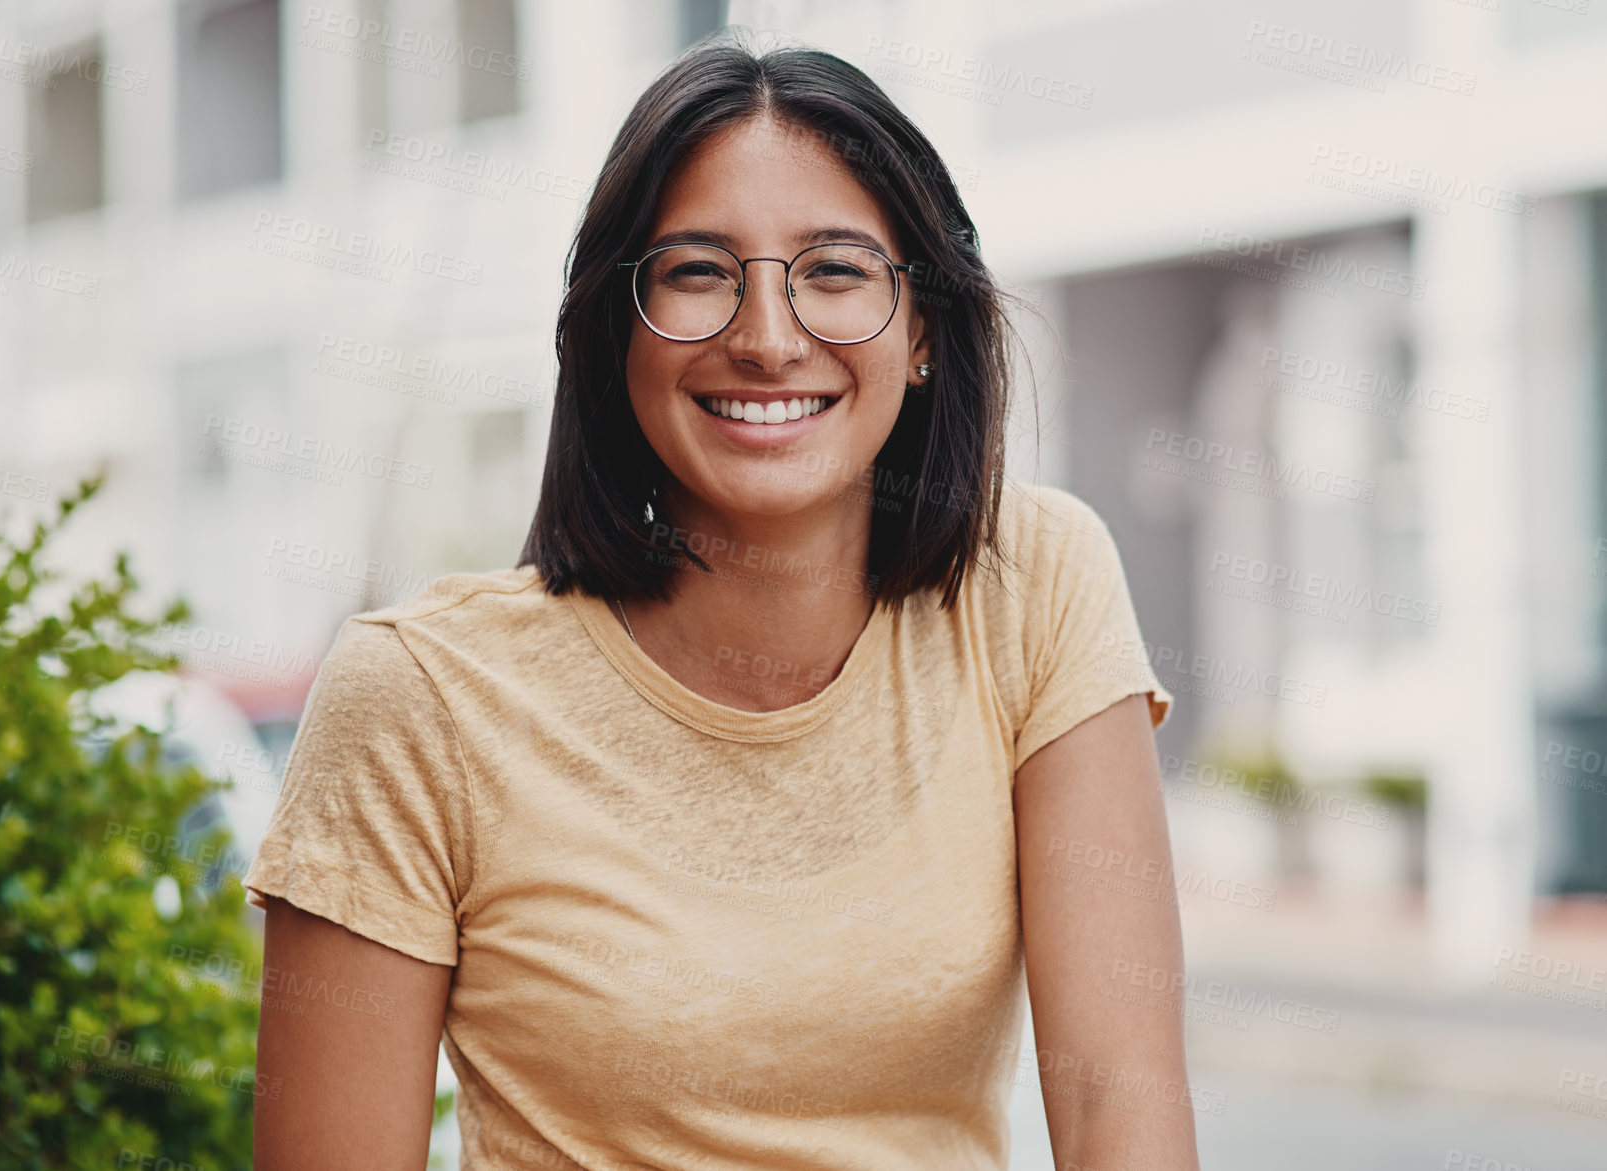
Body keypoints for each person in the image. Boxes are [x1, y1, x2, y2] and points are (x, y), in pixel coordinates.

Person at [243, 28, 1198, 1171]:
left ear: (926, 329)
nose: (764, 338)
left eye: (835, 271)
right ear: (613, 333)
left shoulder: (1030, 586)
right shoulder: (420, 695)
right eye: (695, 272)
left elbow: (1116, 1124)